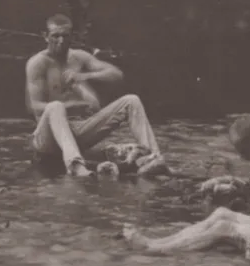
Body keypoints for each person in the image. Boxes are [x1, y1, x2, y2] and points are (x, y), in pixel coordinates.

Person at [123, 115, 250, 259]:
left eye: (243, 150)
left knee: (224, 227)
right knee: (221, 213)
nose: (241, 157)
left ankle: (155, 251)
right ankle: (158, 242)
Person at [25, 14, 169, 179]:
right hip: (47, 139)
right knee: (55, 106)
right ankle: (75, 165)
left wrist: (84, 76)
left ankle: (153, 159)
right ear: (45, 36)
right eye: (55, 36)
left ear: (72, 36)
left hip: (78, 131)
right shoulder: (37, 63)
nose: (61, 41)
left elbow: (116, 74)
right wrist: (70, 106)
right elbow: (34, 106)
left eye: (65, 36)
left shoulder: (79, 57)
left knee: (131, 100)